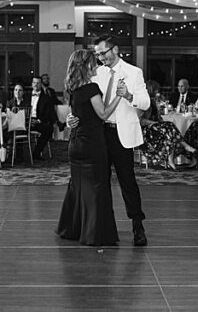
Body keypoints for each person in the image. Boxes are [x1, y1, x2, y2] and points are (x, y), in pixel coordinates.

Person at [68, 35, 151, 246]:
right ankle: (103, 227)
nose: (100, 58)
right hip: (97, 136)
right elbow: (83, 98)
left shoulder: (134, 72)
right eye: (97, 55)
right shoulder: (96, 73)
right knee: (100, 183)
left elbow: (145, 103)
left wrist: (129, 96)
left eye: (103, 53)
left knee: (127, 182)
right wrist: (71, 117)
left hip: (120, 135)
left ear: (115, 49)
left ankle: (138, 226)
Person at [56, 50, 121, 246]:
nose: (97, 66)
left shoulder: (72, 89)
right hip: (92, 144)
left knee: (78, 186)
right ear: (86, 66)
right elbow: (103, 114)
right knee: (97, 187)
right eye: (94, 63)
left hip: (75, 144)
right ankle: (94, 233)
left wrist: (70, 120)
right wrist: (119, 96)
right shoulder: (91, 88)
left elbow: (74, 115)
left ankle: (73, 229)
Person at [139, 80, 193, 170]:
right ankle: (185, 146)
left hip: (155, 128)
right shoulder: (143, 102)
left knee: (169, 131)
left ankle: (171, 160)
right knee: (169, 127)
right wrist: (154, 123)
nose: (158, 92)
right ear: (151, 90)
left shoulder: (153, 101)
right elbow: (141, 120)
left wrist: (159, 119)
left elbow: (158, 117)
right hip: (147, 131)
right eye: (156, 90)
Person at [30, 76, 58, 161]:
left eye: (38, 83)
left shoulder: (46, 98)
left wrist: (38, 121)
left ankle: (37, 153)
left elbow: (47, 114)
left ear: (41, 84)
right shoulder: (26, 96)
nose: (36, 85)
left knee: (48, 129)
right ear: (32, 84)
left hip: (38, 121)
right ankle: (18, 156)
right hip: (26, 121)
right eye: (34, 83)